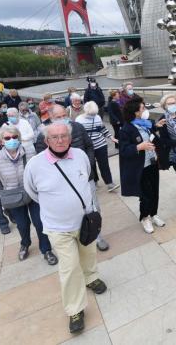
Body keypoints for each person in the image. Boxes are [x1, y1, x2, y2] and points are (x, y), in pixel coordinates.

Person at [23, 122, 108, 334]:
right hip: (58, 227)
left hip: (85, 221)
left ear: (69, 138)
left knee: (88, 254)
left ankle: (91, 278)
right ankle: (75, 309)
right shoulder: (34, 165)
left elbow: (86, 177)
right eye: (54, 137)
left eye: (63, 136)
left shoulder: (80, 155)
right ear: (46, 141)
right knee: (69, 268)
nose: (60, 140)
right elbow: (32, 192)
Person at [34, 105, 109, 251]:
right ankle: (74, 236)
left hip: (86, 177)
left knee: (93, 207)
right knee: (71, 209)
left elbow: (89, 147)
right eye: (58, 117)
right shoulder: (44, 135)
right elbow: (43, 162)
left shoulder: (78, 127)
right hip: (63, 183)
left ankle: (96, 235)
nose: (63, 119)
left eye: (64, 115)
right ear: (51, 118)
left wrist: (87, 165)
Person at [0, 125, 58, 265]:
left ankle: (46, 250)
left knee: (40, 222)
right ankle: (25, 243)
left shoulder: (30, 152)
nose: (11, 140)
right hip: (13, 197)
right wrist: (1, 193)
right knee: (22, 224)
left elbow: (41, 170)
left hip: (33, 193)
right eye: (7, 138)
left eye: (14, 137)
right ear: (1, 141)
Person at [119, 97, 167, 234]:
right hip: (141, 167)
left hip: (152, 163)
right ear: (135, 112)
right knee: (145, 195)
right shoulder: (126, 129)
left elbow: (151, 134)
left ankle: (154, 214)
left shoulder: (145, 124)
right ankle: (144, 217)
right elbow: (123, 150)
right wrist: (139, 147)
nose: (145, 110)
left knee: (155, 191)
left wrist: (157, 125)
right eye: (142, 108)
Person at [76, 101, 119, 193]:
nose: (93, 115)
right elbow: (78, 134)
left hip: (101, 144)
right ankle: (94, 181)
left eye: (94, 113)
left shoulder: (97, 117)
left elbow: (103, 129)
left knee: (104, 165)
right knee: (91, 164)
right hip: (88, 147)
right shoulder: (79, 120)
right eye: (91, 114)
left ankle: (109, 183)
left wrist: (112, 137)